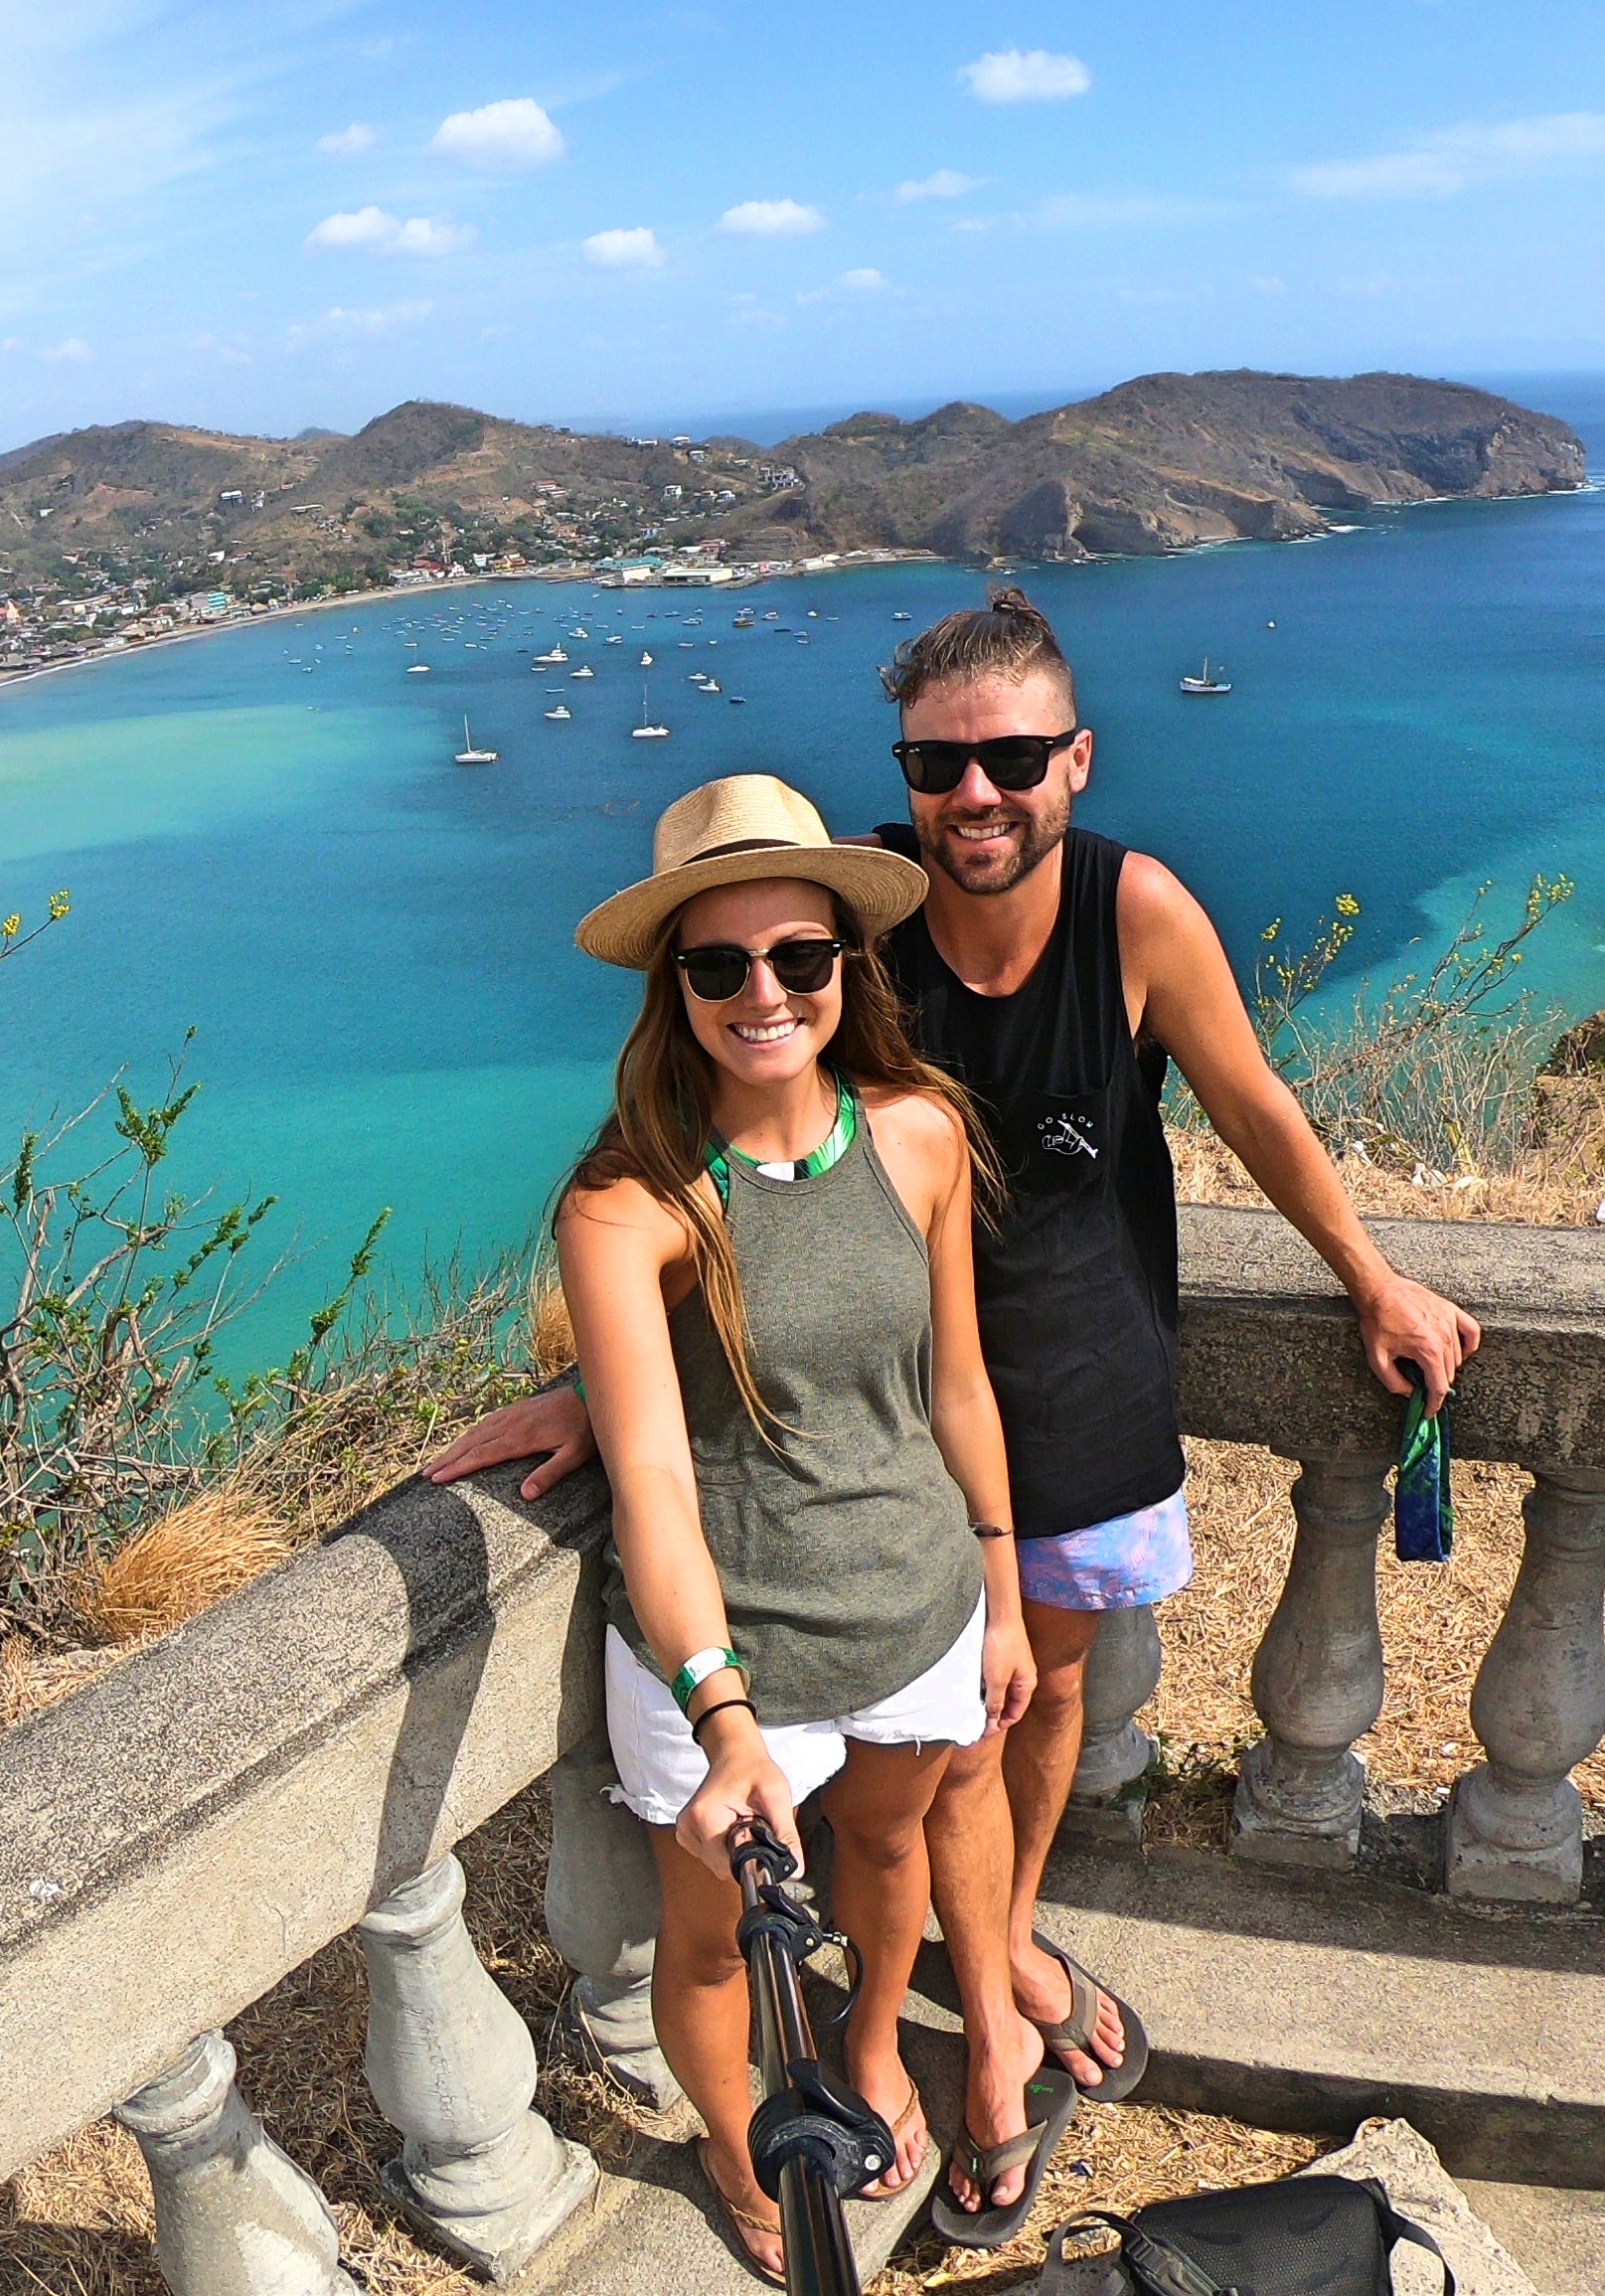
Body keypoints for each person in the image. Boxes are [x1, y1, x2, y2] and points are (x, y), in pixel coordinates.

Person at [432, 591, 1479, 2235]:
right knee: (952, 1758)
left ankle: (994, 1976)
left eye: (1008, 759)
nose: (975, 795)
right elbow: (722, 1164)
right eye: (939, 763)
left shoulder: (1132, 912)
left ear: (1073, 758)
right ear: (906, 780)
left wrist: (1372, 1277)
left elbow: (1252, 1102)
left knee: (1032, 1709)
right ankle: (984, 1998)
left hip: (1069, 1382)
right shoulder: (847, 917)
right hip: (878, 1420)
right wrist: (601, 1370)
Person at [550, 772, 1048, 2276]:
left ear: (847, 968)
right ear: (673, 988)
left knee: (891, 1858)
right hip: (730, 1665)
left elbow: (957, 1386)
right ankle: (733, 2133)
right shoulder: (629, 1205)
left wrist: (1004, 1593)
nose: (763, 993)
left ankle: (879, 2045)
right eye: (718, 965)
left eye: (799, 958)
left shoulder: (919, 1136)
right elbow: (649, 1475)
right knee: (706, 1941)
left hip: (916, 1612)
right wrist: (723, 1720)